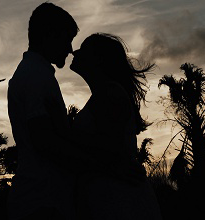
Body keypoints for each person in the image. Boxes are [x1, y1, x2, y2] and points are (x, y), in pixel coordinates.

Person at [69, 33, 162, 220]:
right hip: (110, 197)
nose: (74, 52)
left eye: (83, 49)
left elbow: (109, 149)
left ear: (98, 59)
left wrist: (64, 131)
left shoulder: (110, 93)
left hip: (119, 200)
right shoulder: (105, 94)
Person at [7, 2, 80, 220]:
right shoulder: (36, 77)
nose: (69, 49)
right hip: (42, 203)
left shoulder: (35, 73)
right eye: (66, 39)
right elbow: (45, 141)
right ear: (49, 36)